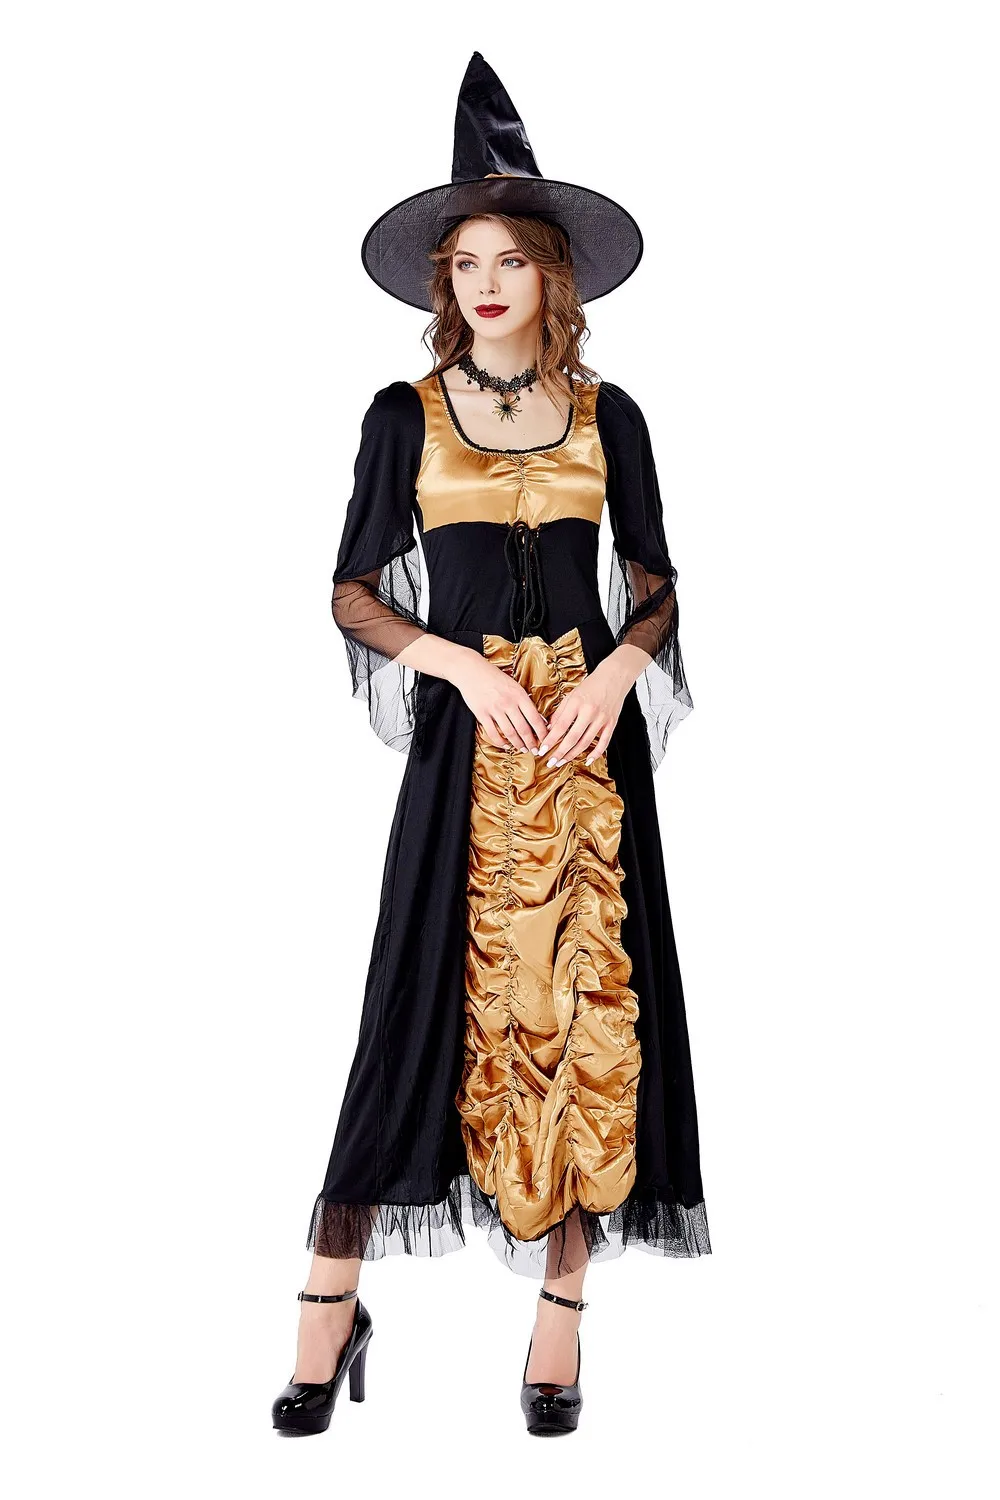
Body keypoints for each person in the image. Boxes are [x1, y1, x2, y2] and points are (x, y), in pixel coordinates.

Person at [272, 52, 712, 1440]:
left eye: (508, 259)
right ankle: (329, 1304)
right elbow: (353, 592)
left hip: (584, 755)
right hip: (466, 760)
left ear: (551, 275)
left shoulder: (610, 415)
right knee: (412, 1009)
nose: (483, 283)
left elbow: (656, 583)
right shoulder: (401, 416)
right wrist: (457, 664)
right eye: (463, 262)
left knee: (587, 1020)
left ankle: (561, 1318)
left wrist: (620, 671)